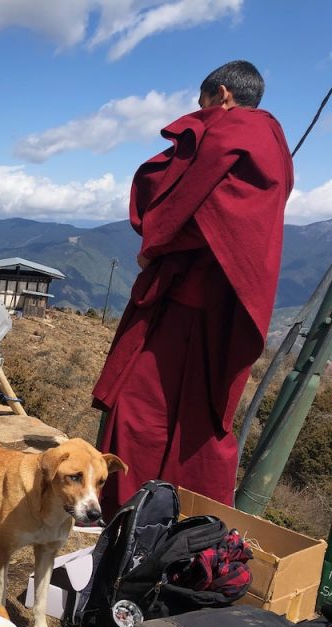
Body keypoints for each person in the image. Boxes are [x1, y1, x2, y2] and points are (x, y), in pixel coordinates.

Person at [93, 60, 294, 519]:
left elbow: (191, 205)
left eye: (202, 105)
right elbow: (231, 220)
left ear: (221, 95)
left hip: (188, 301)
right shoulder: (273, 146)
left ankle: (127, 509)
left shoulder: (234, 133)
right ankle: (190, 516)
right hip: (227, 308)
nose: (200, 116)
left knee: (141, 406)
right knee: (199, 419)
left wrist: (157, 243)